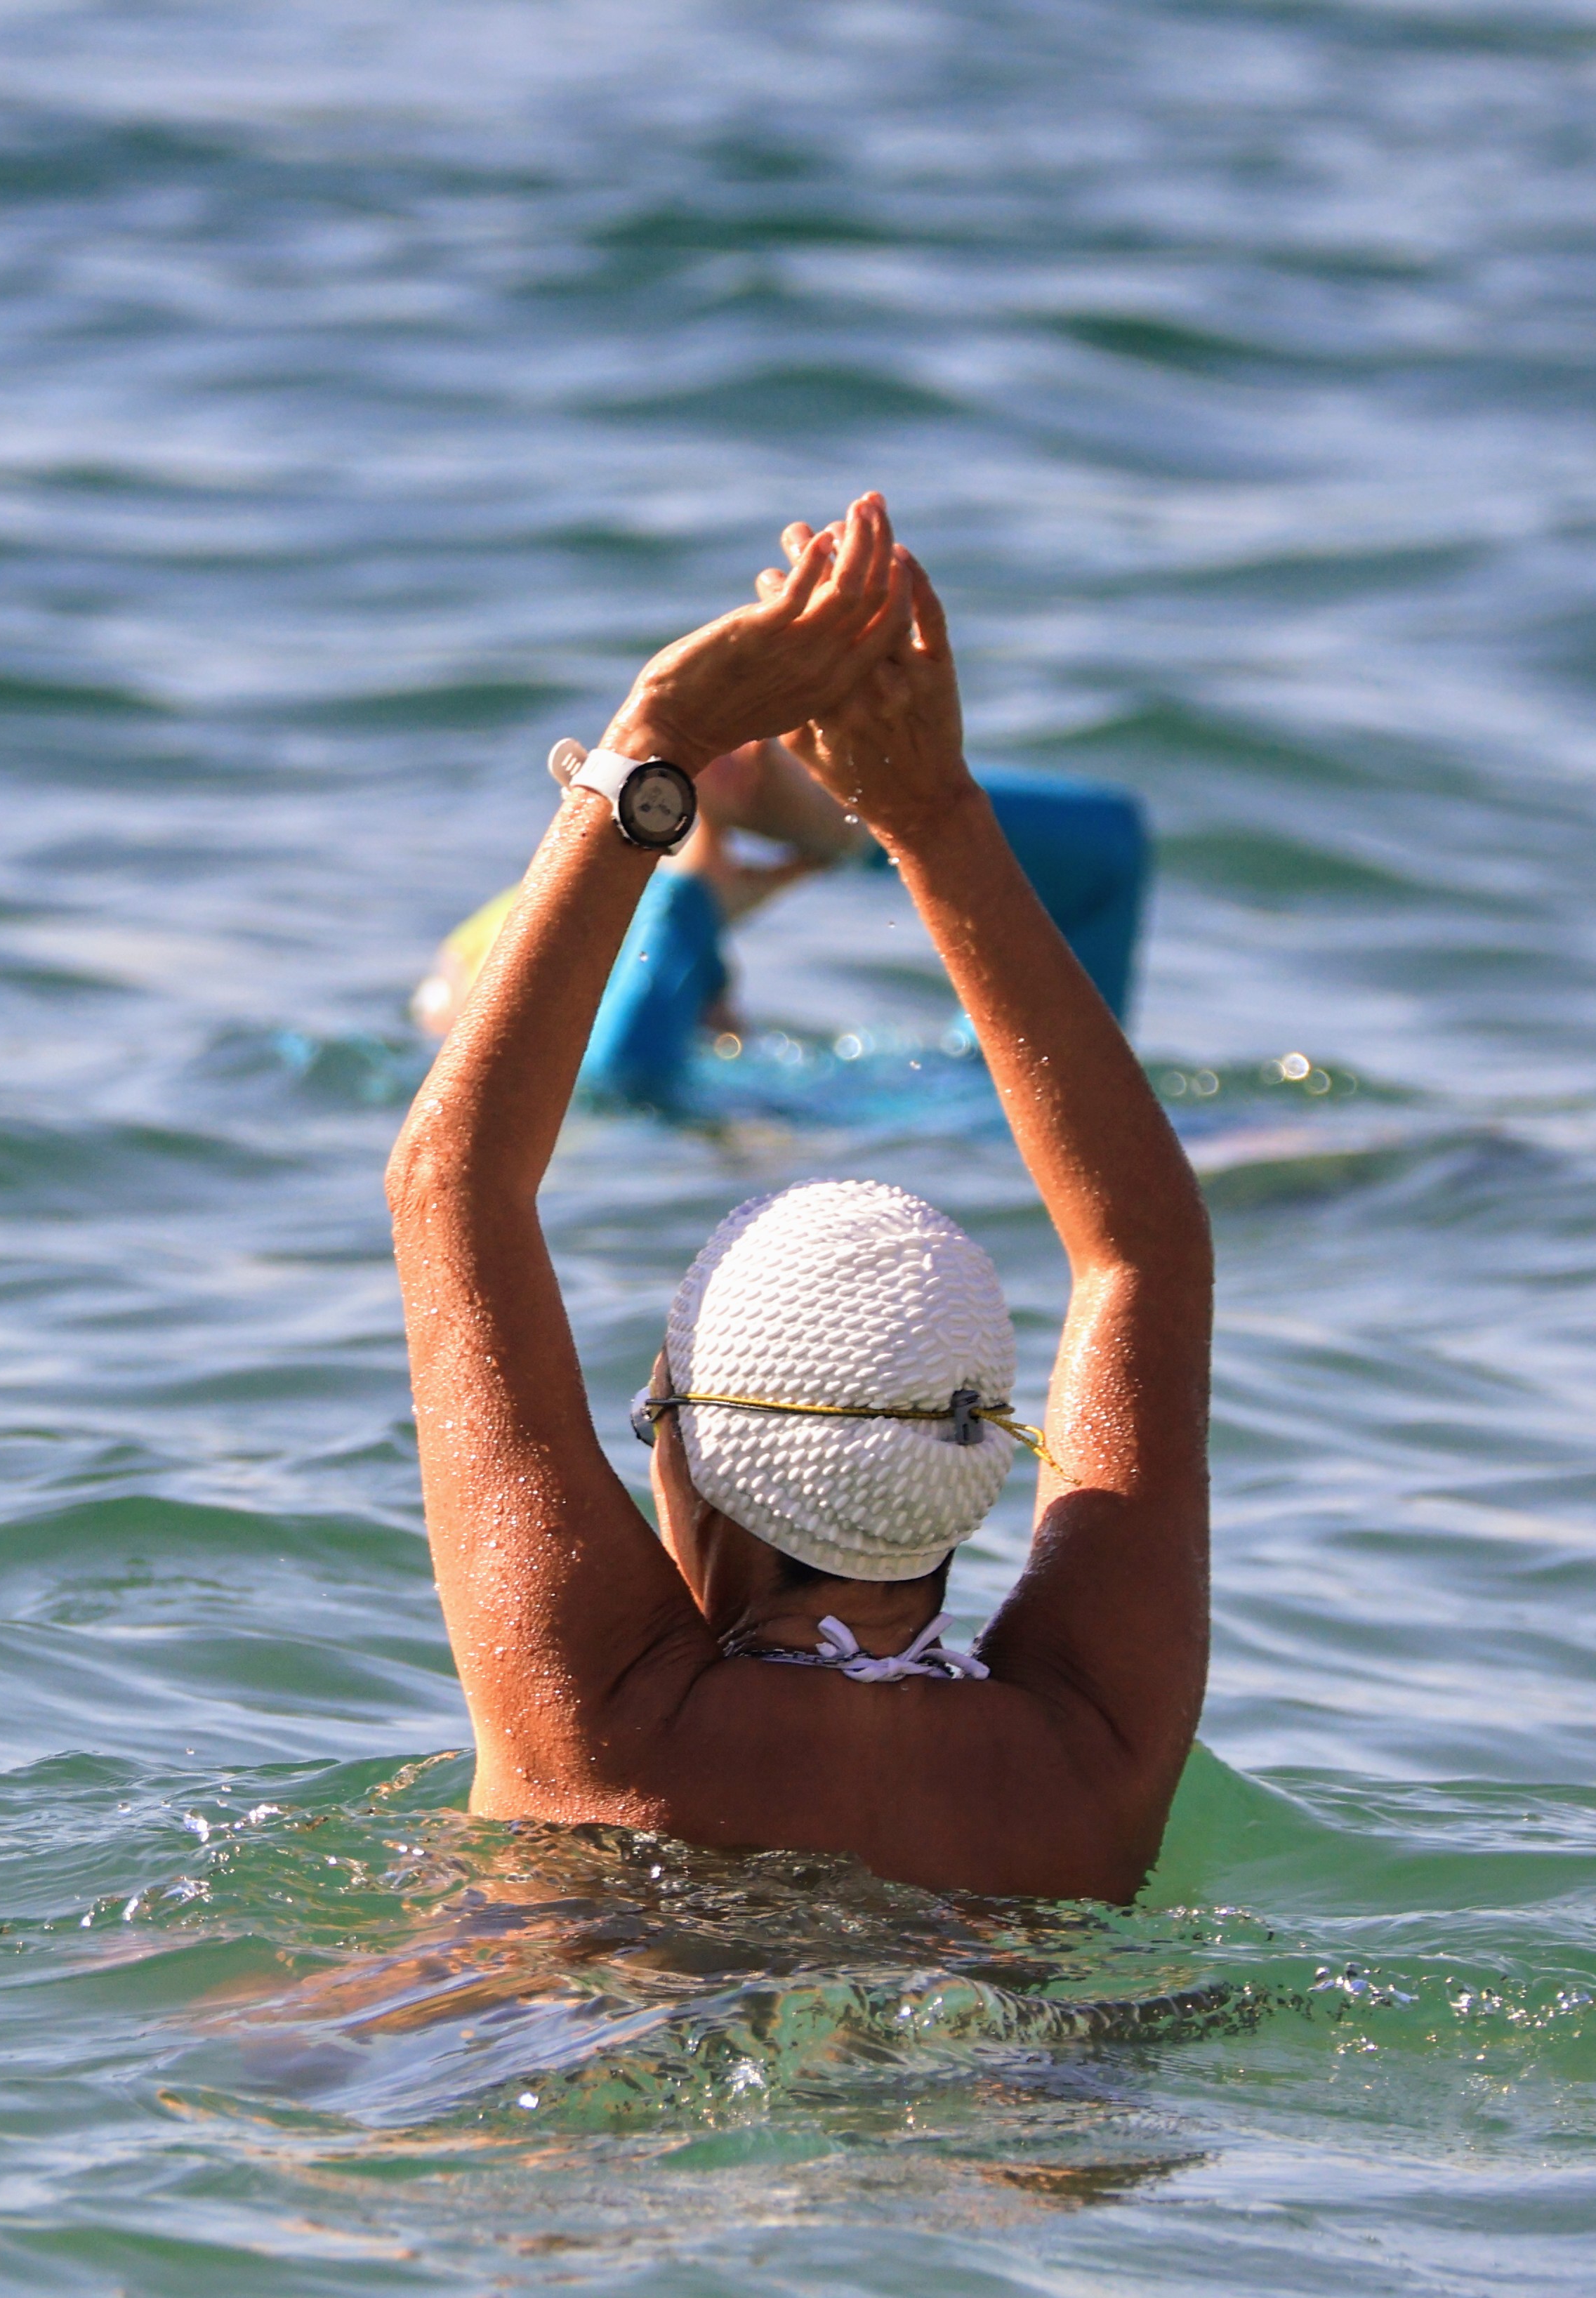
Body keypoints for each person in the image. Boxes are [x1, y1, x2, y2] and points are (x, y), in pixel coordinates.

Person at [385, 493, 1212, 1902]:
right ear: (984, 1454)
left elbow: (449, 1184)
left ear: (685, 1456)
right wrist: (930, 809)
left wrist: (645, 751)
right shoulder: (1092, 1747)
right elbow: (1138, 1248)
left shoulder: (605, 1722)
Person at [411, 731, 1150, 1108]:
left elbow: (1111, 850)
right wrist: (688, 900)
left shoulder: (809, 1077)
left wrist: (859, 817)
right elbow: (622, 1074)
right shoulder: (654, 1097)